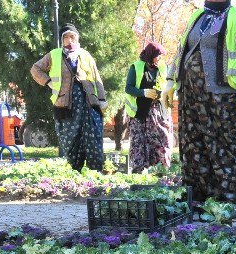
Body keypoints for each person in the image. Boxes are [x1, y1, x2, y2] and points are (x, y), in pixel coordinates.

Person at [162, 0, 236, 203]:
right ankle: (197, 197)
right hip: (191, 96)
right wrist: (170, 80)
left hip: (223, 97)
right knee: (192, 145)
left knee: (226, 147)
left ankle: (227, 200)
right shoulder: (196, 17)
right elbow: (181, 50)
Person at [31, 23, 107, 171]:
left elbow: (96, 77)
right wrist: (47, 82)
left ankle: (95, 173)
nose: (69, 40)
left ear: (77, 38)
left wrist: (102, 99)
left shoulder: (85, 55)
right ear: (62, 40)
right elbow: (35, 69)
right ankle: (76, 172)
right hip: (66, 106)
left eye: (72, 37)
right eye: (66, 37)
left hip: (88, 103)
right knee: (71, 139)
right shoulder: (54, 55)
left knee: (93, 136)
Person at [124, 42, 174, 172]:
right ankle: (138, 171)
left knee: (162, 139)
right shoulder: (136, 67)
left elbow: (168, 86)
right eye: (158, 56)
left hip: (158, 112)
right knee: (138, 142)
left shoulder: (163, 68)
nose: (160, 59)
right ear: (150, 55)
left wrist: (162, 94)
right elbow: (128, 88)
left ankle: (162, 171)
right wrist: (143, 92)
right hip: (139, 112)